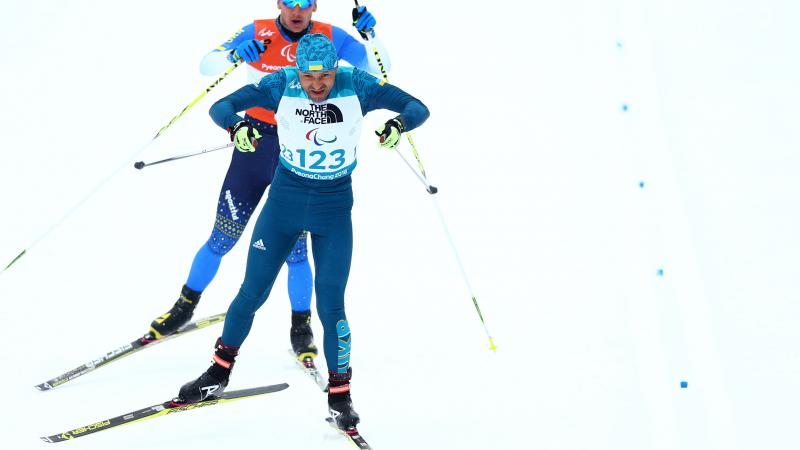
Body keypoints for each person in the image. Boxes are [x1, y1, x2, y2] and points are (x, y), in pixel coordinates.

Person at [174, 33, 429, 431]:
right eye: (309, 77)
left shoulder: (356, 83)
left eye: (325, 76)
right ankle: (217, 376)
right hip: (284, 205)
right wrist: (235, 126)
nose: (317, 86)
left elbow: (417, 106)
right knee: (250, 294)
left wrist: (399, 123)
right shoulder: (281, 84)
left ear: (335, 70)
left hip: (332, 212)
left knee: (332, 307)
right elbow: (222, 106)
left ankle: (340, 397)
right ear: (298, 71)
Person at [148, 0, 392, 365]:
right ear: (278, 3)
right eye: (289, 2)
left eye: (304, 3)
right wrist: (233, 55)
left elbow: (381, 71)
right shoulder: (257, 30)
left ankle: (300, 326)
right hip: (254, 145)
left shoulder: (329, 38)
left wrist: (371, 35)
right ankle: (184, 306)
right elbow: (206, 65)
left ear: (314, 5)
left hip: (298, 152)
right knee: (223, 235)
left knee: (296, 251)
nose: (296, 10)